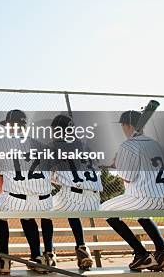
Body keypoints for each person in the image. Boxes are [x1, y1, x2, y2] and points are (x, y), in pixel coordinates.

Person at [102, 110, 164, 271]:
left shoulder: (128, 144)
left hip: (148, 197)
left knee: (105, 209)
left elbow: (128, 177)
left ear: (127, 126)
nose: (122, 129)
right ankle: (163, 251)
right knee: (141, 212)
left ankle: (141, 255)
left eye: (123, 126)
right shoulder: (156, 143)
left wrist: (117, 163)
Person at [0, 110, 53, 274]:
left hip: (18, 199)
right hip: (45, 202)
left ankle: (4, 259)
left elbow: (0, 175)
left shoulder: (1, 143)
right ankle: (37, 256)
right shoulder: (39, 143)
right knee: (27, 214)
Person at [49, 114, 102, 270]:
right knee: (70, 207)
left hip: (74, 196)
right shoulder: (86, 145)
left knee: (45, 207)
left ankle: (48, 252)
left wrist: (57, 178)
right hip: (95, 199)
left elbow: (51, 176)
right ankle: (82, 247)